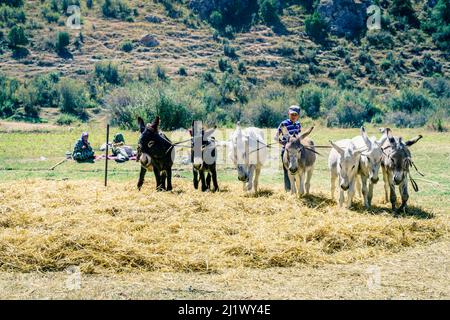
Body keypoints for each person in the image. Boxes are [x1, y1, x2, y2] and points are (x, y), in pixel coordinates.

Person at [275, 105, 302, 192]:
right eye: (292, 114)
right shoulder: (284, 124)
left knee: (298, 169)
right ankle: (288, 190)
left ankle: (298, 188)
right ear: (288, 114)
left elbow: (299, 137)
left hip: (296, 152)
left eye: (295, 114)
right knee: (288, 171)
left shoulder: (298, 124)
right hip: (287, 151)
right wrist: (283, 143)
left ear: (298, 115)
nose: (293, 116)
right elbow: (276, 137)